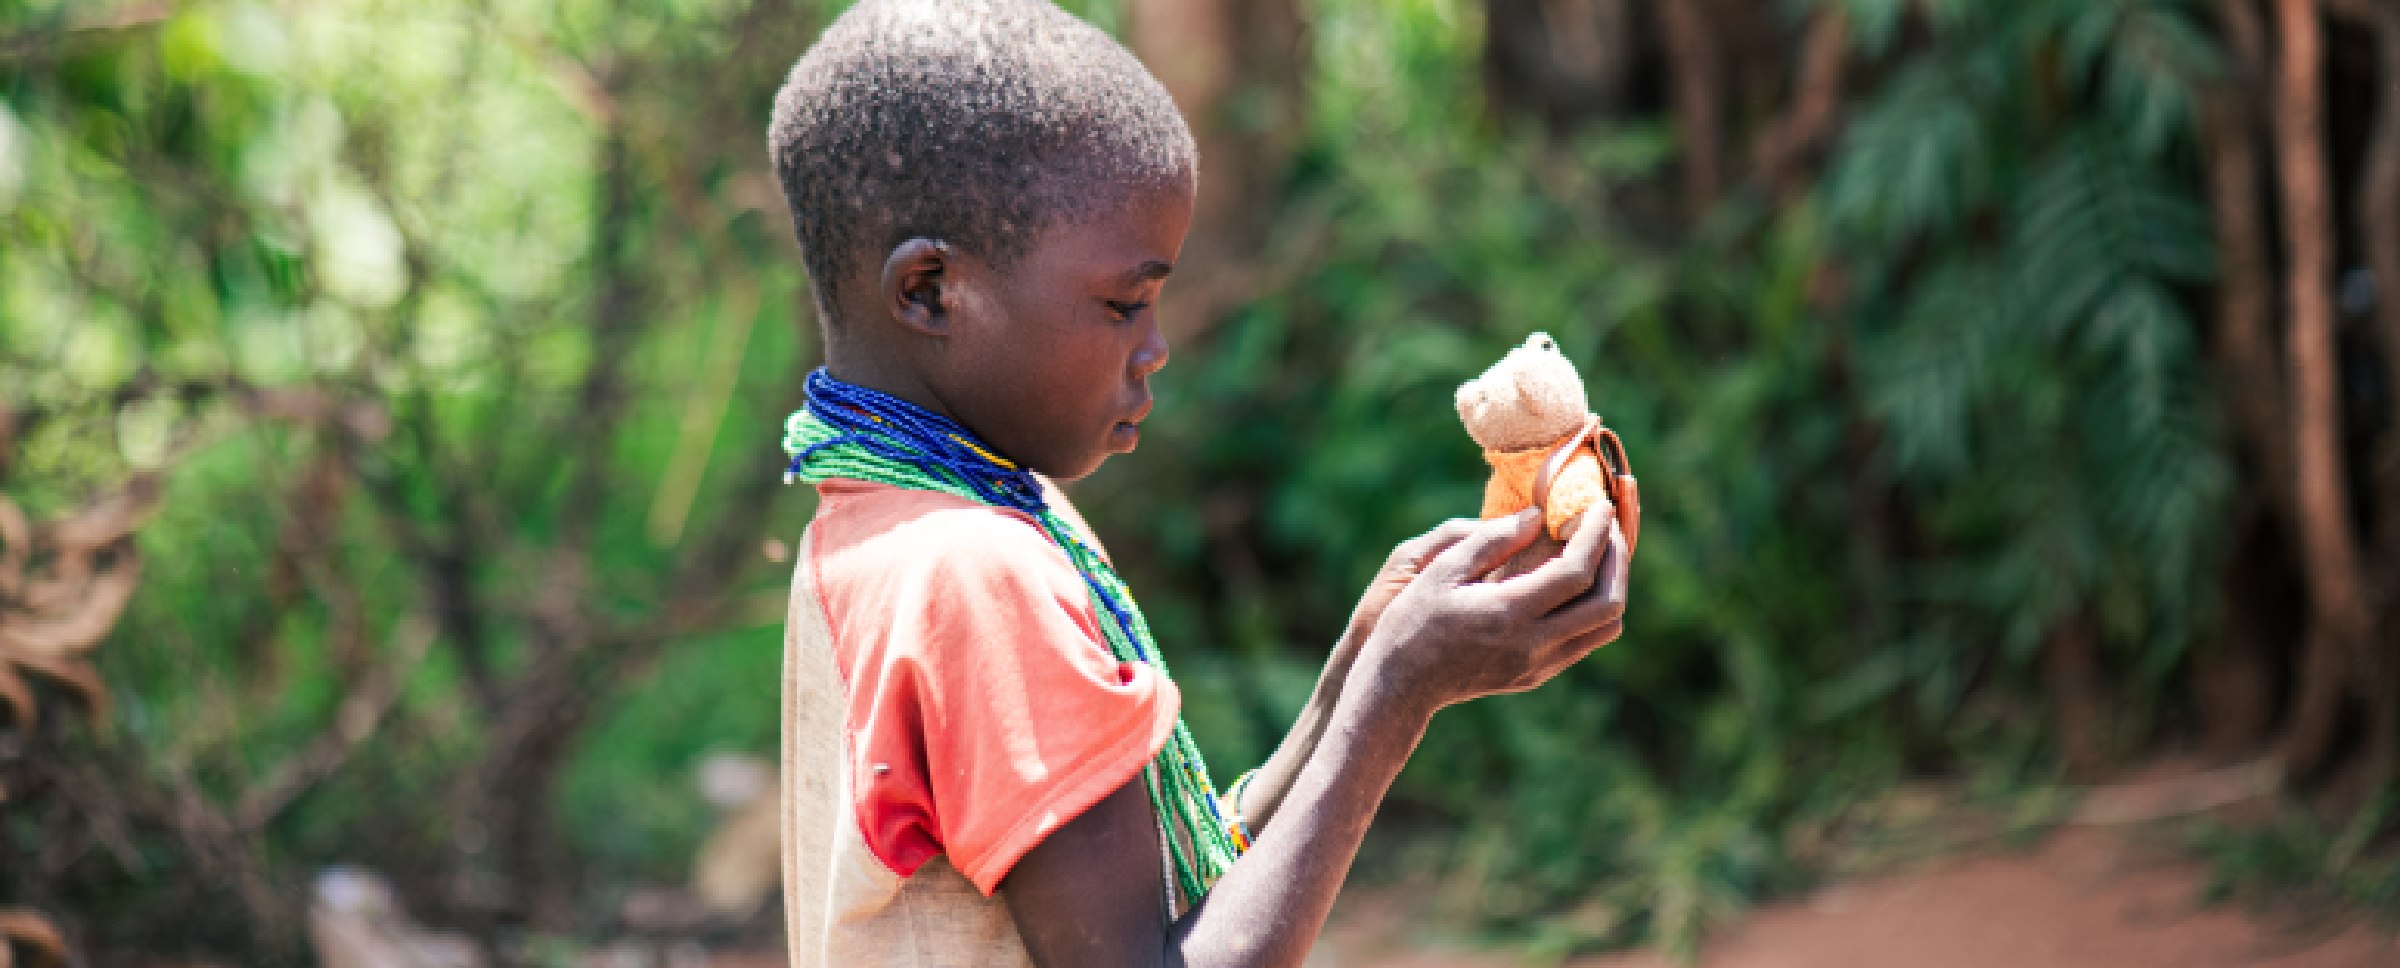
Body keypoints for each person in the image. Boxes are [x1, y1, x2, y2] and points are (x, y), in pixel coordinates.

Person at [767, 1, 1630, 965]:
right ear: (930, 291)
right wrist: (1396, 698)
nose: (1156, 349)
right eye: (1124, 305)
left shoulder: (899, 522)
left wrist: (1357, 669)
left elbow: (1167, 902)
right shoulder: (973, 572)